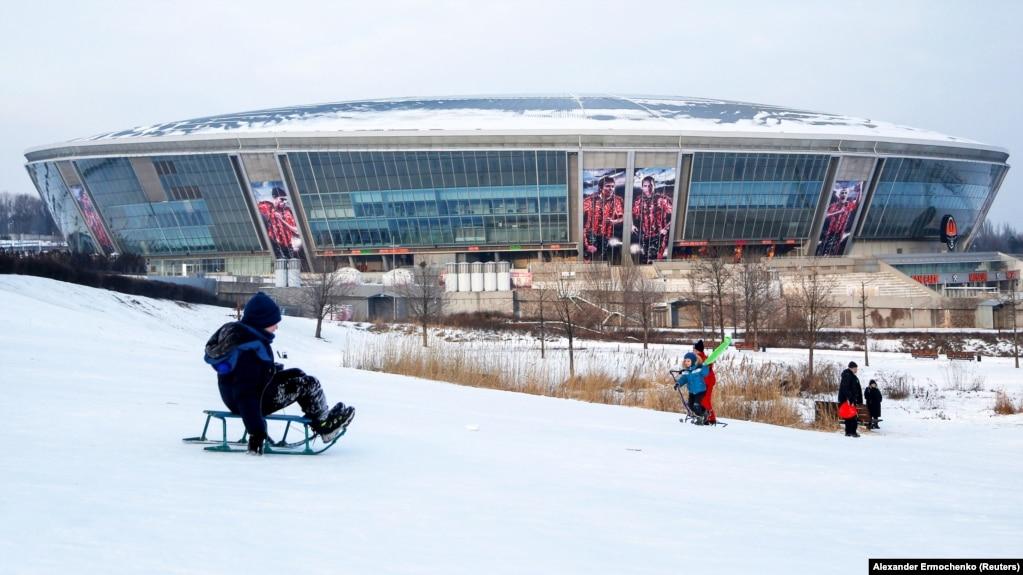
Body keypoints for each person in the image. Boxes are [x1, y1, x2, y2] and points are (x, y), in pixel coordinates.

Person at [204, 292, 354, 455]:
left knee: (298, 374)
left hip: (234, 397)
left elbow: (244, 377)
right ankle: (324, 426)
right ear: (261, 322)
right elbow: (245, 393)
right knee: (308, 384)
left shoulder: (240, 336)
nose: (276, 326)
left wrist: (269, 370)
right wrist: (256, 432)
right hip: (250, 403)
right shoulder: (249, 350)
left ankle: (320, 416)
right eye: (273, 322)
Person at [583, 175, 624, 263]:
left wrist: (614, 221)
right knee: (589, 257)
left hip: (606, 234)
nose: (611, 189)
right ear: (601, 187)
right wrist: (586, 243)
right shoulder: (590, 200)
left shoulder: (617, 200)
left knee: (601, 258)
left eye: (612, 186)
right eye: (608, 186)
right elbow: (582, 219)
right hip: (591, 234)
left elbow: (622, 217)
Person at [631, 175, 672, 264]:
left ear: (654, 186)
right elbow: (631, 213)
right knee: (646, 260)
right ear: (642, 187)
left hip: (660, 235)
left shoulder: (662, 199)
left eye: (650, 186)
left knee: (656, 260)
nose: (648, 188)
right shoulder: (639, 201)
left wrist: (666, 228)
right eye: (645, 186)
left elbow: (674, 215)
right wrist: (632, 225)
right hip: (645, 236)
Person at [257, 187, 301, 259]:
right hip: (275, 244)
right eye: (281, 199)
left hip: (288, 245)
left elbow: (296, 229)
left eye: (285, 200)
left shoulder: (287, 212)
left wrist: (282, 220)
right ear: (275, 198)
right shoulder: (266, 207)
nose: (284, 202)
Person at [673, 352, 710, 425]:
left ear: (693, 361)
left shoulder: (698, 369)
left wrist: (705, 366)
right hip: (692, 391)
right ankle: (704, 413)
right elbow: (683, 379)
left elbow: (705, 373)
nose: (686, 362)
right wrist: (678, 383)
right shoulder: (686, 371)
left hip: (700, 391)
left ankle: (700, 418)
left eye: (688, 361)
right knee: (690, 405)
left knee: (696, 404)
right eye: (685, 361)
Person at [693, 339, 717, 424]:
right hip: (703, 383)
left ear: (697, 350)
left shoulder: (704, 358)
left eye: (694, 350)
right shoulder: (697, 358)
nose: (693, 351)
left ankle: (712, 418)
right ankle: (705, 417)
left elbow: (707, 367)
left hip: (708, 382)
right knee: (701, 400)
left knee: (705, 400)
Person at [837, 361, 863, 437]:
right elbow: (846, 388)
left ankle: (849, 432)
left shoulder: (851, 376)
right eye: (855, 368)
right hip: (848, 400)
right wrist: (850, 398)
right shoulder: (848, 375)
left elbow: (856, 388)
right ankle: (852, 432)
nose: (856, 370)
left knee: (850, 416)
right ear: (851, 368)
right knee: (852, 416)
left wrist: (857, 399)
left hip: (850, 399)